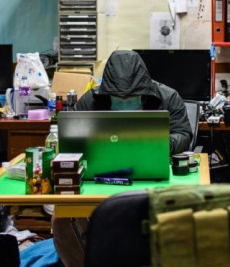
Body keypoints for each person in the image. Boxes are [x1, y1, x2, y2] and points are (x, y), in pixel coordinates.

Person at [52, 50, 193, 267]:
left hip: (153, 177)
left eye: (131, 99)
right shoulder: (91, 100)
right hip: (100, 179)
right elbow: (71, 140)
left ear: (144, 93)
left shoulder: (168, 97)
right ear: (107, 92)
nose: (124, 103)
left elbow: (183, 134)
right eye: (118, 99)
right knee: (61, 219)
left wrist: (156, 145)